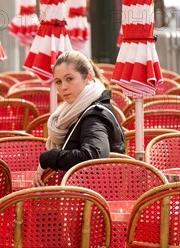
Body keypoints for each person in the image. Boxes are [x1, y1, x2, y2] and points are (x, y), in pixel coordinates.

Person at [33, 51, 125, 186]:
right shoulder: (75, 111)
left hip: (97, 197)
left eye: (69, 79)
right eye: (58, 82)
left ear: (88, 77)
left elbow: (93, 156)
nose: (63, 87)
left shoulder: (94, 115)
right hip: (83, 193)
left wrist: (49, 157)